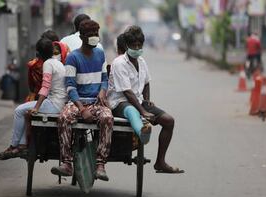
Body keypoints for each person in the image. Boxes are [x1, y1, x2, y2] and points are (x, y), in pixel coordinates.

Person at [108, 25, 184, 174]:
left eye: (139, 45)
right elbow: (127, 92)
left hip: (139, 101)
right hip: (120, 103)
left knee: (169, 121)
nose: (136, 48)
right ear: (127, 45)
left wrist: (147, 101)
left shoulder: (142, 62)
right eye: (133, 45)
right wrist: (143, 111)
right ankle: (142, 130)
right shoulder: (119, 63)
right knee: (132, 110)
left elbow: (147, 82)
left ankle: (160, 162)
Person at [51, 20, 113, 181]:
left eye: (96, 34)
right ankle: (67, 163)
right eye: (90, 35)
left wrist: (102, 91)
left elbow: (105, 79)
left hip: (96, 102)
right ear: (82, 36)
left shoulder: (100, 54)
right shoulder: (73, 57)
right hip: (78, 102)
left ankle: (100, 164)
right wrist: (82, 109)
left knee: (107, 117)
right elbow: (70, 87)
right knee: (63, 118)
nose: (94, 37)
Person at [0, 38, 68, 160]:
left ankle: (13, 145)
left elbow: (44, 88)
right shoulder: (59, 63)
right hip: (60, 103)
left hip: (53, 104)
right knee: (25, 112)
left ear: (38, 53)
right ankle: (23, 145)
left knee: (19, 110)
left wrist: (36, 107)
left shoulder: (47, 64)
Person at [26, 30, 68, 102]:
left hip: (42, 98)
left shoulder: (34, 65)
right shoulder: (65, 59)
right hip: (62, 98)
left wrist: (36, 107)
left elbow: (33, 87)